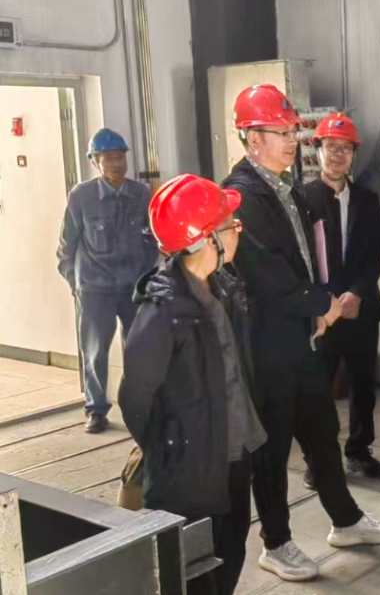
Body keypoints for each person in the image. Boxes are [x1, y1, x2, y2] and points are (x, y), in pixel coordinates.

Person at [223, 84, 380, 583]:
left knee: (323, 433)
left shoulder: (286, 188)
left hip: (300, 338)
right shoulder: (242, 195)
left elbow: (307, 260)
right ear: (252, 137)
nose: (292, 142)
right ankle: (276, 543)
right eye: (282, 133)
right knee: (272, 447)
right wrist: (322, 305)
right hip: (266, 344)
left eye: (292, 133)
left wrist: (318, 307)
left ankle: (345, 521)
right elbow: (267, 273)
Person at [120, 173, 264, 595]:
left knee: (231, 550)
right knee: (196, 574)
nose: (237, 231)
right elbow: (134, 399)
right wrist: (173, 447)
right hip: (192, 473)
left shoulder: (223, 287)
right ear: (207, 240)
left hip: (235, 454)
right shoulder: (161, 313)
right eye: (230, 225)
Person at [300, 112, 380, 486]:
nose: (338, 154)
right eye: (331, 146)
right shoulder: (302, 200)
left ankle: (359, 451)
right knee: (317, 390)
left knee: (362, 386)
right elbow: (301, 258)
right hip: (320, 313)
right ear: (317, 150)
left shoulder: (368, 201)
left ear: (354, 154)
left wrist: (358, 293)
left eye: (346, 148)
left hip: (360, 311)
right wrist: (324, 302)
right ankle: (317, 459)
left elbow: (374, 254)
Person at [57, 128, 159, 434]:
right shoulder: (82, 197)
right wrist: (74, 282)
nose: (116, 163)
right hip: (95, 289)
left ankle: (141, 405)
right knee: (94, 351)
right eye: (109, 158)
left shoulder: (140, 194)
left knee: (139, 348)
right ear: (95, 162)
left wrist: (146, 276)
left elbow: (151, 238)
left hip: (132, 288)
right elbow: (67, 246)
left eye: (120, 157)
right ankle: (96, 409)